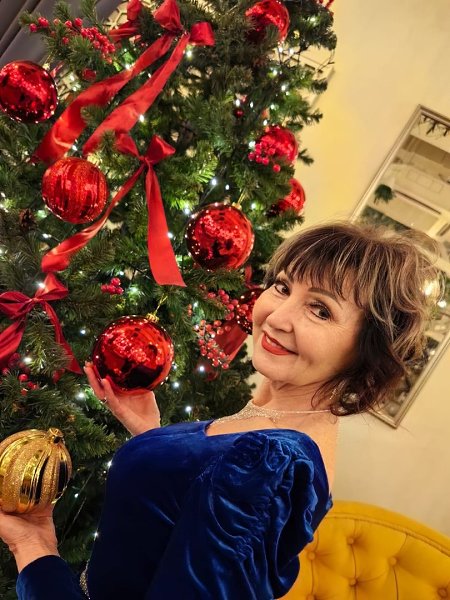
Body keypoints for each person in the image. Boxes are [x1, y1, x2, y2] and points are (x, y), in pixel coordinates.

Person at [0, 221, 442, 599]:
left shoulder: (274, 464)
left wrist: (33, 547)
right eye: (283, 286)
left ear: (365, 352)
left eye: (320, 310)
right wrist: (155, 438)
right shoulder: (273, 425)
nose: (276, 317)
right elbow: (185, 513)